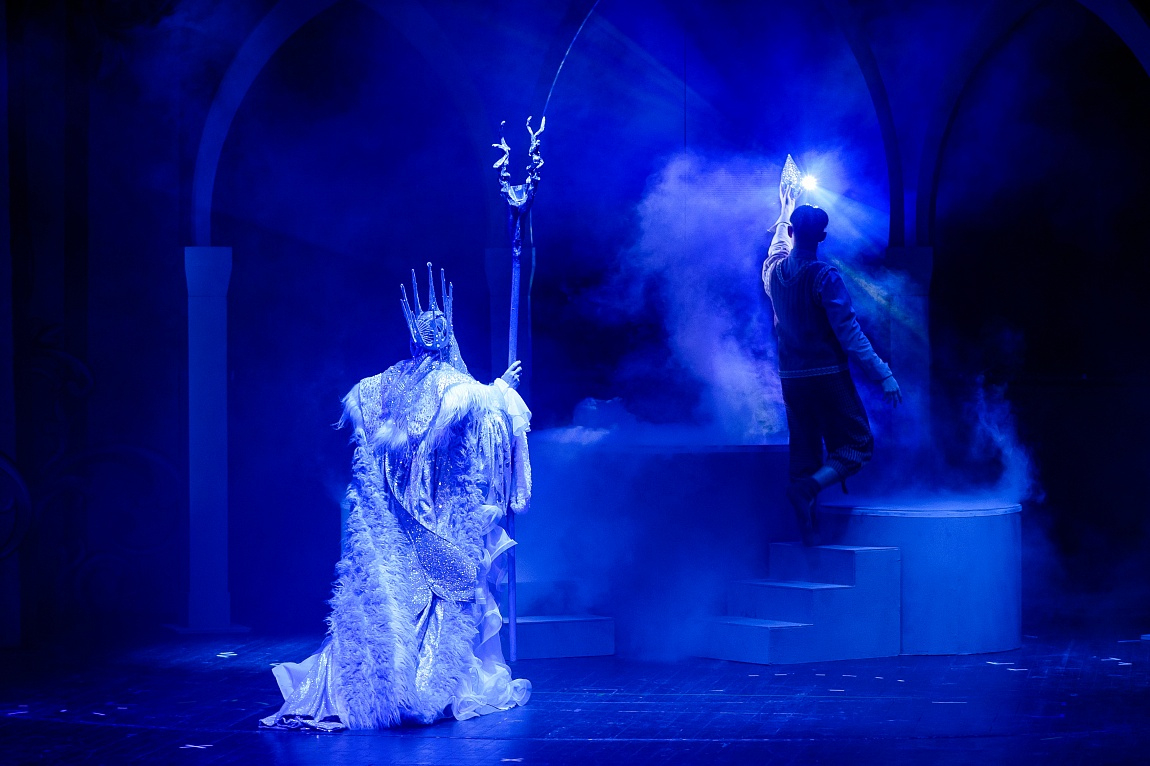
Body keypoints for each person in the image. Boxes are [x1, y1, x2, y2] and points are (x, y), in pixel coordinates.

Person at [260, 264, 532, 731]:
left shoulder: (381, 386)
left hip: (393, 523)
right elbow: (482, 412)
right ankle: (417, 690)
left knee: (393, 598)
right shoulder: (453, 386)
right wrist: (503, 389)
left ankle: (383, 688)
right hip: (434, 517)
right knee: (434, 594)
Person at [762, 174, 901, 546]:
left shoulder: (773, 274)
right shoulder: (825, 277)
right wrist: (883, 374)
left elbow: (777, 247)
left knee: (804, 451)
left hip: (791, 379)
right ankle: (807, 490)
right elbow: (850, 334)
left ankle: (808, 539)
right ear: (822, 237)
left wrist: (785, 209)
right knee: (857, 445)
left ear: (793, 232)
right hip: (826, 377)